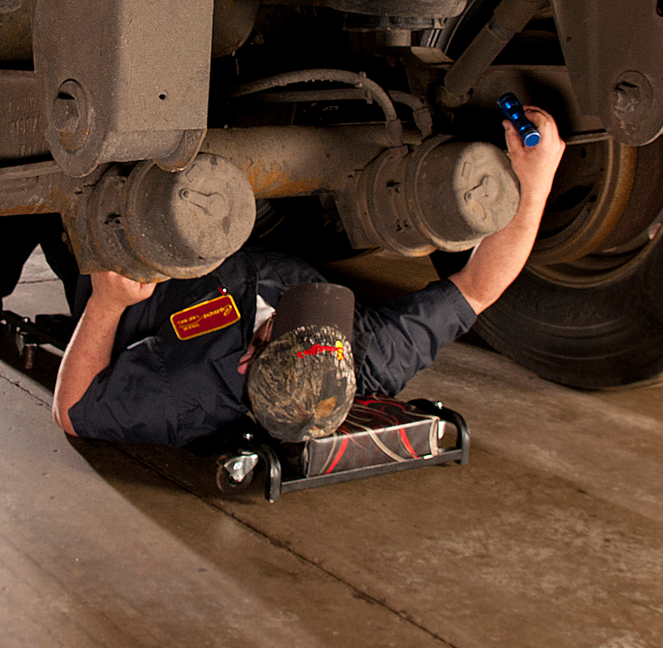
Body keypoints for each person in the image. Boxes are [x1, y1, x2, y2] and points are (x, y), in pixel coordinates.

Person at [51, 106, 564, 447]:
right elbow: (478, 288)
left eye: (294, 320)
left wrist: (107, 304)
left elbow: (71, 413)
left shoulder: (189, 395)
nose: (323, 313)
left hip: (127, 259)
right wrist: (536, 181)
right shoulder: (366, 358)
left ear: (248, 358)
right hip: (253, 237)